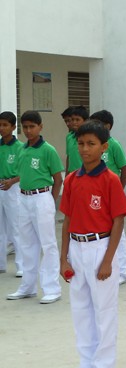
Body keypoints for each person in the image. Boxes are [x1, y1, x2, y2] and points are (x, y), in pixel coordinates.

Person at [60, 120, 126, 368]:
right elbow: (67, 220)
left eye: (91, 144)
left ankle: (104, 367)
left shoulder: (110, 180)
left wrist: (108, 260)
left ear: (104, 147)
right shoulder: (72, 179)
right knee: (81, 309)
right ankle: (86, 364)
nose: (85, 149)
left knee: (104, 310)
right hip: (77, 247)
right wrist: (63, 257)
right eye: (81, 143)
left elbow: (118, 221)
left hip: (100, 246)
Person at [7, 111, 63, 303]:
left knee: (48, 244)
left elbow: (58, 179)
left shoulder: (48, 150)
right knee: (27, 243)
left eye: (32, 126)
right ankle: (28, 286)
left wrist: (51, 202)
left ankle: (52, 288)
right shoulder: (22, 149)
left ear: (40, 127)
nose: (29, 130)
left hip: (42, 197)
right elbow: (23, 174)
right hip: (24, 198)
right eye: (25, 127)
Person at [90, 110, 126, 285]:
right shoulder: (93, 147)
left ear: (108, 126)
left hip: (111, 193)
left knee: (118, 233)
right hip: (96, 195)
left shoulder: (113, 145)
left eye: (98, 123)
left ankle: (122, 272)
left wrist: (118, 192)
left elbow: (124, 170)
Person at [0, 111, 24, 277]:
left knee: (15, 227)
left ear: (13, 127)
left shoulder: (20, 147)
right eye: (0, 125)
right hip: (0, 185)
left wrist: (12, 181)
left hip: (13, 188)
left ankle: (21, 265)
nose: (2, 128)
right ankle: (1, 264)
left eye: (5, 125)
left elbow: (25, 171)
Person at [65, 106, 89, 177]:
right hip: (72, 175)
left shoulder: (89, 138)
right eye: (72, 119)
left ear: (85, 121)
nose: (74, 122)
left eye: (77, 120)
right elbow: (68, 157)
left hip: (85, 175)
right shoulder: (69, 137)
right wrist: (67, 175)